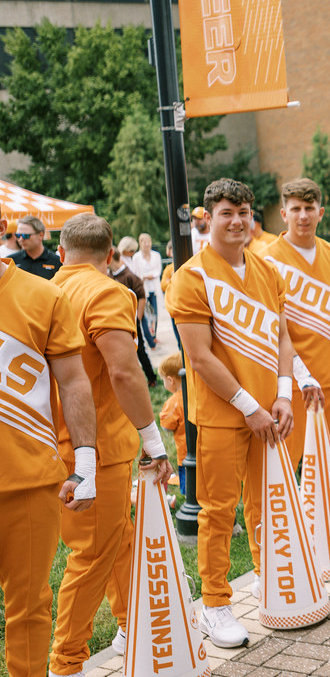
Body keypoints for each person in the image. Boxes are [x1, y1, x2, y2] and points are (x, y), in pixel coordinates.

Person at [167, 179, 302, 648]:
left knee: (267, 504)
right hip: (226, 414)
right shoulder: (190, 276)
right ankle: (215, 604)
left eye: (243, 212)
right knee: (218, 511)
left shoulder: (266, 270)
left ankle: (272, 583)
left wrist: (283, 394)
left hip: (270, 411)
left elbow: (283, 337)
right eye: (227, 212)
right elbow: (200, 358)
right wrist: (249, 406)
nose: (238, 220)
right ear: (208, 217)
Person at [49, 213, 172, 676]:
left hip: (58, 440)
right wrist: (153, 441)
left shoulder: (47, 289)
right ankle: (66, 661)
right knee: (93, 555)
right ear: (110, 257)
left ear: (61, 253)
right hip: (100, 446)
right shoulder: (106, 291)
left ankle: (130, 624)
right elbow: (123, 370)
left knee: (117, 540)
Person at [0, 214, 97, 677]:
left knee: (29, 605)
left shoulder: (43, 295)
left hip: (30, 480)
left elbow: (75, 383)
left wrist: (87, 463)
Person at [259, 177, 330, 556]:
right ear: (283, 212)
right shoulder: (267, 258)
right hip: (287, 380)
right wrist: (294, 372)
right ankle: (289, 537)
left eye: (310, 208)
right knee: (288, 460)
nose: (303, 215)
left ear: (321, 212)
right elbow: (270, 324)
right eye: (296, 208)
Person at [109, 248, 157, 388]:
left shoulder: (129, 276)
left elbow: (141, 296)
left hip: (132, 320)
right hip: (118, 320)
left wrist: (138, 317)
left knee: (140, 349)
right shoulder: (110, 276)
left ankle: (151, 377)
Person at [158, 352, 187, 491]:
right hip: (207, 452)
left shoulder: (174, 402)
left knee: (190, 488)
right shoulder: (198, 394)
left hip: (186, 454)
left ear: (170, 380)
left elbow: (167, 427)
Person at [133, 233, 162, 348]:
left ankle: (154, 336)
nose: (147, 244)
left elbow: (158, 270)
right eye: (144, 242)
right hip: (143, 288)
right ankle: (149, 338)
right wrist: (144, 276)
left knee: (154, 313)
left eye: (148, 241)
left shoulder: (156, 255)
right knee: (145, 313)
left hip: (154, 288)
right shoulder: (136, 257)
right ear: (140, 243)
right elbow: (136, 273)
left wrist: (151, 275)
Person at [12, 215, 61, 279]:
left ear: (41, 235)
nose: (21, 239)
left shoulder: (57, 262)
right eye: (18, 235)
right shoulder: (12, 261)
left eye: (25, 236)